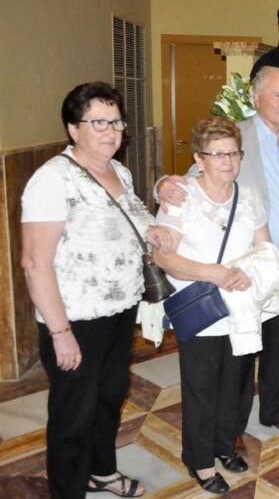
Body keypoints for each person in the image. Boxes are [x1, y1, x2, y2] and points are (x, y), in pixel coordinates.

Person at [157, 66, 279, 442]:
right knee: (240, 348)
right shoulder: (237, 136)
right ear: (257, 98)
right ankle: (232, 426)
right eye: (278, 95)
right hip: (243, 268)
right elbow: (196, 176)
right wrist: (162, 185)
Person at [21, 82, 171, 498]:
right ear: (73, 129)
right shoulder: (53, 179)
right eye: (98, 122)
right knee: (74, 413)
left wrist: (154, 229)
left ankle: (101, 471)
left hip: (120, 310)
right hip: (75, 319)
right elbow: (34, 262)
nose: (111, 131)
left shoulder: (119, 172)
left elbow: (134, 218)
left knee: (108, 398)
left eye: (116, 122)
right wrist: (60, 332)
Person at [153, 118, 270, 494]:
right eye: (218, 154)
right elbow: (163, 256)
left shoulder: (248, 195)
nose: (228, 161)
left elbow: (264, 248)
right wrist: (212, 273)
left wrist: (250, 272)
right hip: (201, 310)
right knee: (201, 388)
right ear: (198, 159)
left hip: (240, 308)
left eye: (233, 153)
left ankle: (224, 445)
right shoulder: (182, 195)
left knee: (235, 385)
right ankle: (200, 460)